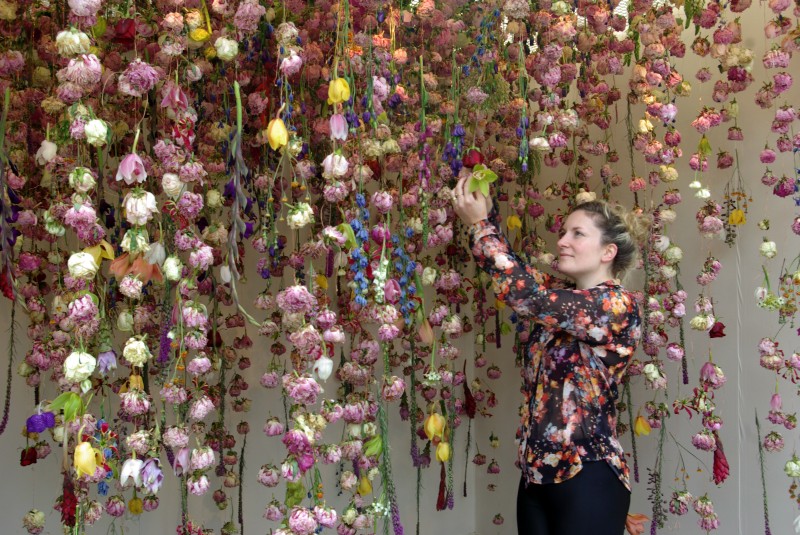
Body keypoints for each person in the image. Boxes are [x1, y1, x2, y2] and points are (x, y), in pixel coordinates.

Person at [451, 175, 651, 535]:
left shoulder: (615, 304)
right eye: (564, 232)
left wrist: (481, 225)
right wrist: (482, 212)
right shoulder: (563, 299)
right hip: (537, 474)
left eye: (577, 233)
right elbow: (509, 274)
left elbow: (525, 295)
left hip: (585, 472)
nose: (562, 241)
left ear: (609, 252)